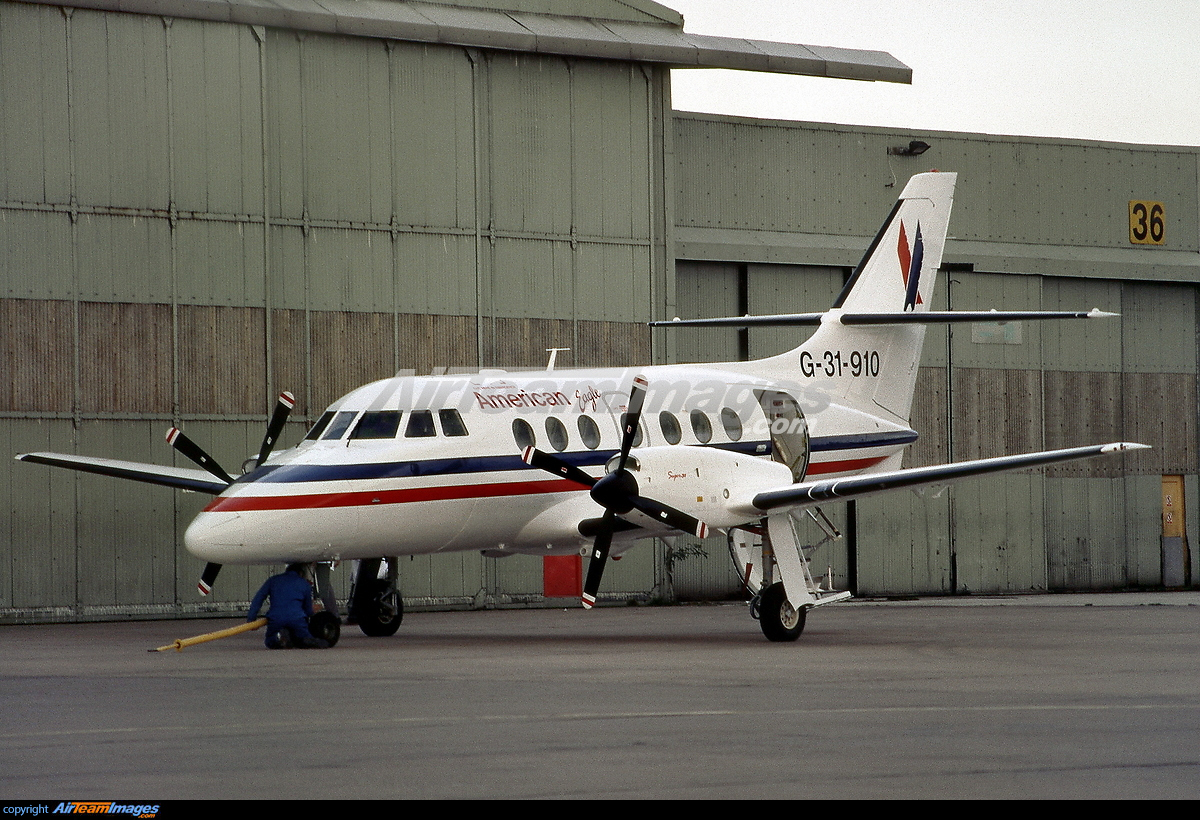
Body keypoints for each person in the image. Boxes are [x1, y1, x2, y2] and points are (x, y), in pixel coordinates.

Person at [247, 563, 329, 649]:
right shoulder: (304, 584)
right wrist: (313, 611)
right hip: (297, 619)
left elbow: (258, 598)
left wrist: (251, 619)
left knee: (270, 641)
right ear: (301, 573)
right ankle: (306, 640)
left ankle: (279, 638)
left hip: (276, 618)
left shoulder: (273, 580)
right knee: (303, 638)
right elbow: (308, 610)